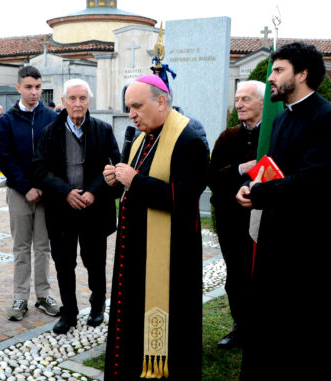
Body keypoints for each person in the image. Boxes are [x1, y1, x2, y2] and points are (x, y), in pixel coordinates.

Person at [235, 42, 331, 379]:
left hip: (310, 246)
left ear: (302, 74)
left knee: (304, 335)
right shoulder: (284, 119)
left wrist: (260, 193)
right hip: (278, 239)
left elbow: (315, 181)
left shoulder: (328, 117)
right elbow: (275, 169)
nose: (270, 77)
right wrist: (253, 186)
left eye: (278, 70)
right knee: (271, 327)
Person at [101, 75, 208, 380]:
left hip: (171, 258)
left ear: (161, 101)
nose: (131, 114)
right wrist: (116, 181)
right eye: (128, 107)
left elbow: (185, 198)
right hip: (136, 251)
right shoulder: (141, 138)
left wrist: (134, 180)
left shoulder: (189, 140)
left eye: (136, 106)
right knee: (131, 321)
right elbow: (132, 189)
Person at [32, 78, 120, 334]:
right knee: (63, 263)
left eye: (82, 98)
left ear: (89, 101)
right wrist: (65, 192)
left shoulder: (103, 130)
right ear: (63, 102)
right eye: (72, 98)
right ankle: (68, 313)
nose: (78, 103)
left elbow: (115, 165)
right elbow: (39, 169)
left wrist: (94, 191)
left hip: (95, 210)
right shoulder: (50, 132)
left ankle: (97, 307)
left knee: (95, 262)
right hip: (62, 211)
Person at [0, 66, 59, 321]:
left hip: (46, 194)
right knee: (21, 247)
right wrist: (25, 187)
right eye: (29, 87)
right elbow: (6, 159)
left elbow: (55, 156)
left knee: (43, 247)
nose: (34, 92)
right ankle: (20, 297)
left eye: (38, 87)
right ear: (19, 88)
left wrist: (43, 186)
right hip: (19, 193)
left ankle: (43, 294)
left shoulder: (51, 118)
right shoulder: (7, 120)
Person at [208, 80, 265, 349]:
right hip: (232, 220)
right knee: (236, 277)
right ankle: (240, 327)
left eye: (246, 99)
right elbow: (212, 176)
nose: (239, 104)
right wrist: (242, 168)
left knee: (263, 277)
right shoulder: (227, 137)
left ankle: (262, 329)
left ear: (263, 104)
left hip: (265, 220)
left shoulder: (275, 135)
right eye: (238, 99)